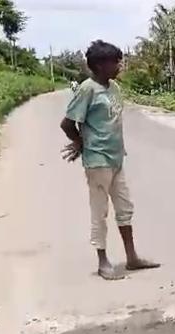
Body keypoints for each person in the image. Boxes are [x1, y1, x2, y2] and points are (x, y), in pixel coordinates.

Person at [60, 40, 159, 280]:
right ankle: (103, 262)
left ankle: (132, 257)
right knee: (100, 212)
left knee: (125, 208)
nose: (120, 65)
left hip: (116, 158)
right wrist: (81, 143)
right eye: (116, 61)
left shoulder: (114, 87)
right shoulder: (87, 89)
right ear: (100, 65)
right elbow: (67, 123)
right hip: (98, 161)